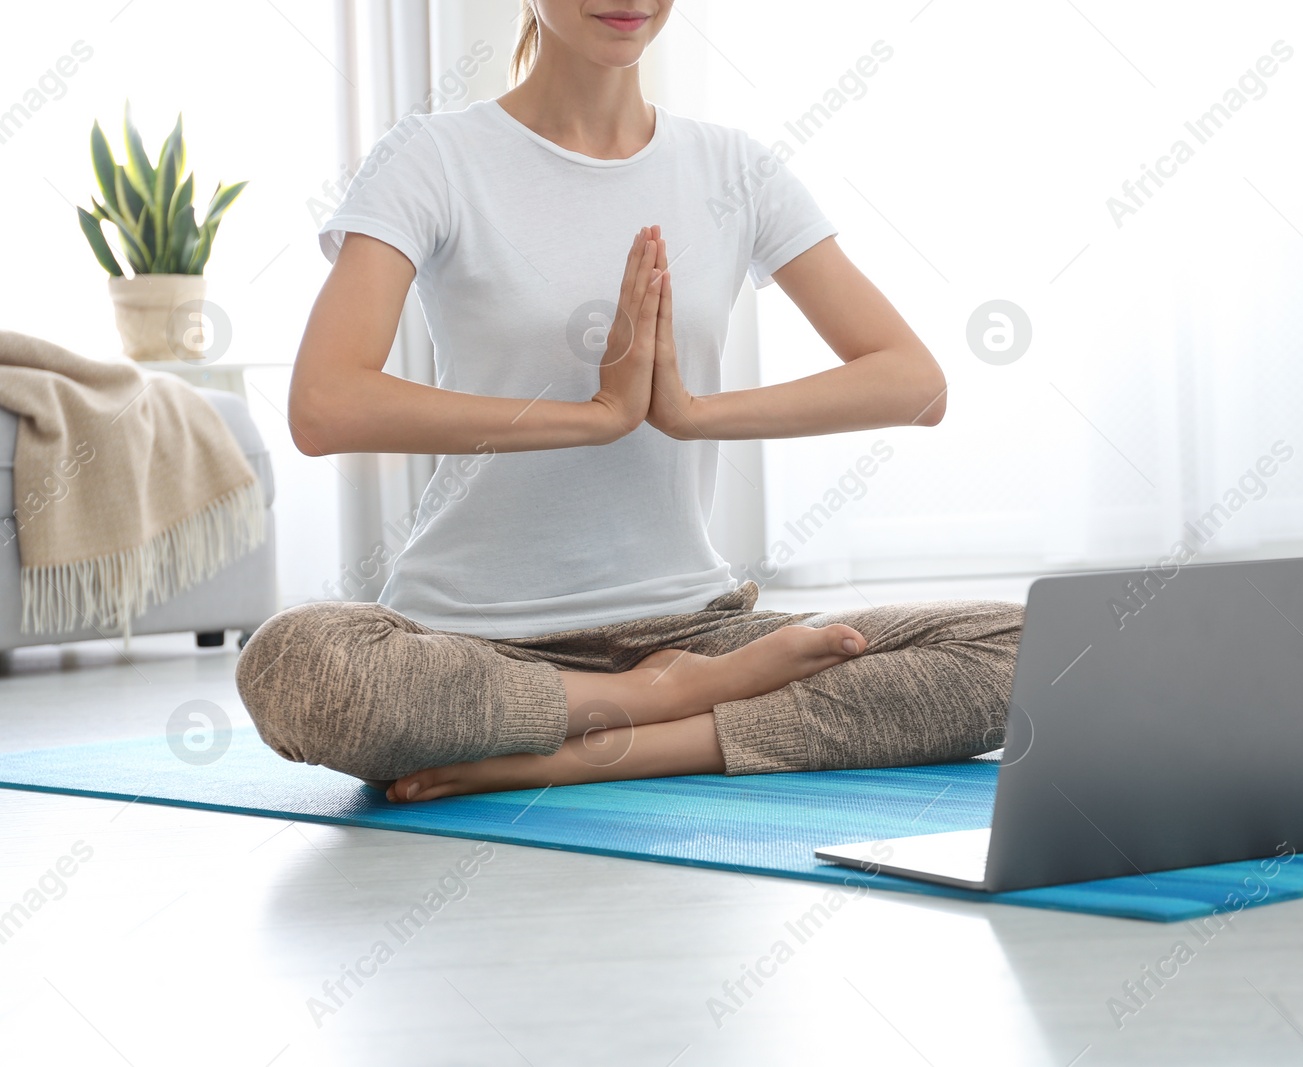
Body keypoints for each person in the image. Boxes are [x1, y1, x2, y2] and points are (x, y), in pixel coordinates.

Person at [235, 0, 1022, 803]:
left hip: (695, 631)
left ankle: (599, 748)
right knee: (300, 665)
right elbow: (325, 404)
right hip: (476, 642)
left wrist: (689, 412)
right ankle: (661, 701)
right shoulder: (436, 157)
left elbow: (915, 382)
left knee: (1024, 649)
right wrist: (595, 418)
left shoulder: (733, 170)